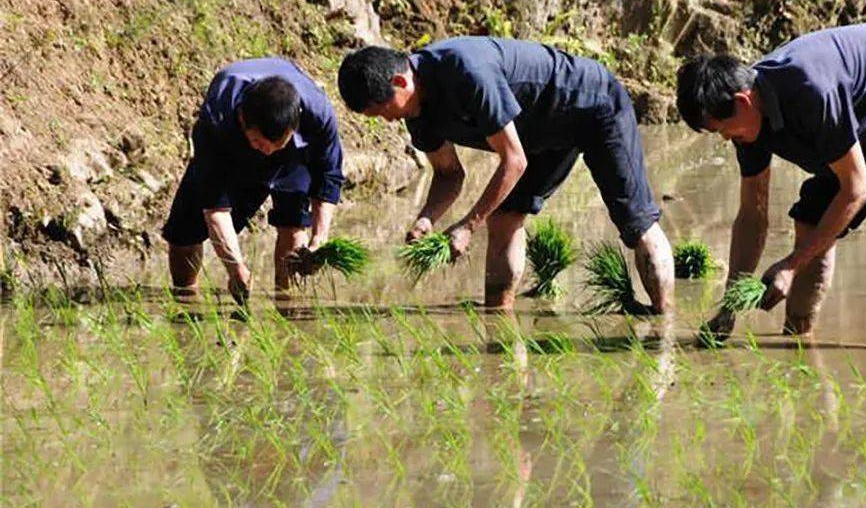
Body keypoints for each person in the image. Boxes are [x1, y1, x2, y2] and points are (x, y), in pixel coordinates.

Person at [677, 23, 866, 351]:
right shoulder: (748, 125)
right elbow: (753, 215)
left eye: (724, 129)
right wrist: (729, 308)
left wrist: (792, 265)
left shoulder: (810, 88)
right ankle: (798, 344)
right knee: (811, 221)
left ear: (743, 101)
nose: (725, 138)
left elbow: (855, 188)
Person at [337, 37, 675, 314]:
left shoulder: (465, 71)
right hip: (535, 136)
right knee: (503, 219)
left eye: (383, 110)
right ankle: (498, 315)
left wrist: (468, 226)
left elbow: (512, 161)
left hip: (592, 105)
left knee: (635, 221)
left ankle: (665, 324)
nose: (387, 120)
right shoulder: (415, 111)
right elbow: (448, 174)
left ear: (400, 81)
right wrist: (426, 219)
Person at [163, 58, 344, 302]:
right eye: (259, 143)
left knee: (293, 222)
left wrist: (319, 240)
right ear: (242, 119)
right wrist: (234, 267)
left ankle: (286, 302)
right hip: (231, 153)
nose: (268, 152)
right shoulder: (217, 120)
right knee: (185, 231)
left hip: (294, 156)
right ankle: (186, 299)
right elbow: (215, 208)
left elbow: (328, 177)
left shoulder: (318, 115)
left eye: (277, 145)